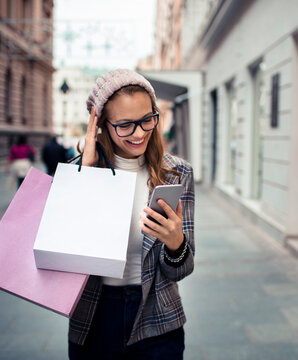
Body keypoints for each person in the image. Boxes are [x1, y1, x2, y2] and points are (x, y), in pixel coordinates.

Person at [68, 69, 195, 359]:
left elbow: (182, 270)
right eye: (125, 125)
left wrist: (176, 244)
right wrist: (85, 174)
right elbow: (62, 254)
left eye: (147, 119)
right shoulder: (77, 171)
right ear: (100, 125)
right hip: (93, 319)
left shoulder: (177, 174)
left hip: (158, 319)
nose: (139, 133)